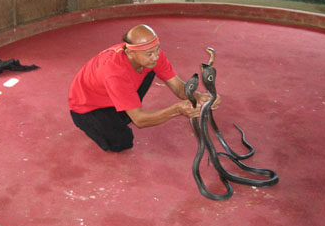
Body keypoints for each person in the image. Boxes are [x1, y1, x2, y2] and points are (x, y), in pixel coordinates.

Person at [68, 24, 217, 152]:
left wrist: (199, 97)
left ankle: (125, 109)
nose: (156, 56)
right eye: (149, 54)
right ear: (130, 53)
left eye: (157, 49)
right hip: (87, 107)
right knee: (122, 141)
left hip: (114, 93)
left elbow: (178, 87)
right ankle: (94, 122)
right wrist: (177, 110)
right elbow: (139, 120)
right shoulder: (115, 73)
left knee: (150, 67)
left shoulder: (151, 55)